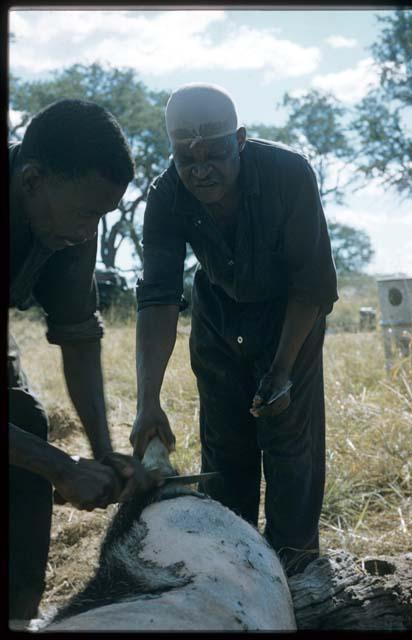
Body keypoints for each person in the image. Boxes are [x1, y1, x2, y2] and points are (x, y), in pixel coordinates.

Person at [131, 83, 338, 576]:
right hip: (217, 318)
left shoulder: (289, 174)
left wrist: (283, 369)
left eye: (215, 154)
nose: (201, 169)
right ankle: (234, 576)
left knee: (291, 450)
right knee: (225, 457)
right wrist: (147, 403)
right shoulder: (164, 196)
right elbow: (158, 298)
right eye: (187, 158)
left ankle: (296, 576)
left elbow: (311, 287)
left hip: (290, 317)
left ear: (240, 139)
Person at [9, 99, 161, 624]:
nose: (87, 231)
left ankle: (17, 616)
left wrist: (102, 455)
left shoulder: (67, 221)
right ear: (32, 180)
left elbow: (78, 338)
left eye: (101, 215)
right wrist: (60, 467)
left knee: (23, 420)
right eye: (84, 213)